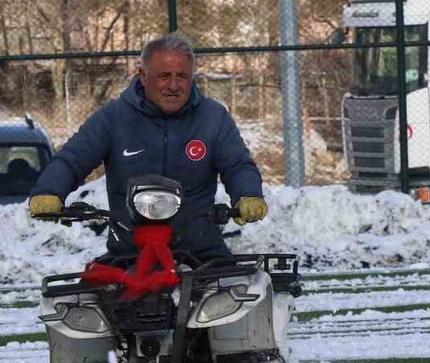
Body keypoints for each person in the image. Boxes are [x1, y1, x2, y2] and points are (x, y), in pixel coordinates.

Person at [29, 33, 268, 259]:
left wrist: (247, 194)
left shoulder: (213, 117)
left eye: (182, 76)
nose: (173, 85)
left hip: (201, 252)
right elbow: (73, 158)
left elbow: (237, 164)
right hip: (129, 254)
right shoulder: (114, 117)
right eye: (164, 76)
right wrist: (49, 191)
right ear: (143, 76)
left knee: (244, 288)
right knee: (88, 290)